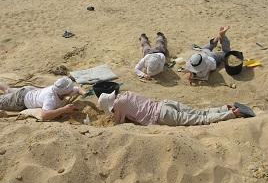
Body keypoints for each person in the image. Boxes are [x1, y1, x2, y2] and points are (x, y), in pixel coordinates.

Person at [98, 90, 243, 126]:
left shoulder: (118, 106)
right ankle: (224, 108)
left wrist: (112, 114)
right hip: (165, 104)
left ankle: (231, 114)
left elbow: (119, 123)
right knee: (199, 112)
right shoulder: (127, 94)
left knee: (200, 120)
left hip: (162, 115)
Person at [0, 76, 86, 120]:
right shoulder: (50, 98)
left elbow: (78, 89)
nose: (72, 91)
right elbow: (44, 115)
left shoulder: (59, 90)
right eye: (70, 90)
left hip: (29, 91)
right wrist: (63, 109)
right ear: (65, 92)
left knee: (7, 90)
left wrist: (84, 93)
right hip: (20, 100)